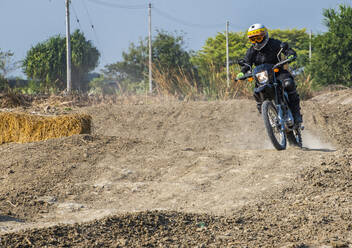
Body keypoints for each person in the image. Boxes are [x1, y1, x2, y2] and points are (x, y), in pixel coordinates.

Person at [237, 23, 303, 125]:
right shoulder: (251, 51)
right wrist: (242, 73)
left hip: (278, 73)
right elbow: (246, 63)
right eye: (253, 39)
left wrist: (290, 54)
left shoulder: (274, 43)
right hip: (261, 77)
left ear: (265, 35)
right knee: (257, 93)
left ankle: (296, 114)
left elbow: (286, 50)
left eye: (258, 38)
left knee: (288, 84)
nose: (256, 42)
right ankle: (268, 119)